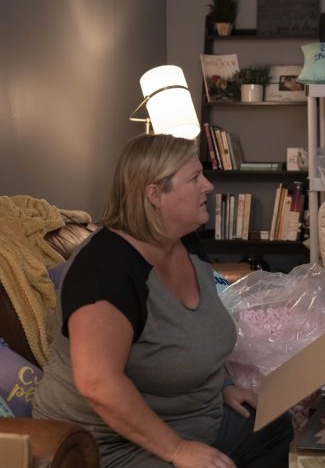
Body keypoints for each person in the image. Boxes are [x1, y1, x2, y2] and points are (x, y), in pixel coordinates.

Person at [33, 134, 293, 467]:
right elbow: (98, 383)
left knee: (273, 426)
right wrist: (177, 450)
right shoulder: (104, 269)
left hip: (193, 420)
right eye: (194, 178)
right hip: (111, 443)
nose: (208, 186)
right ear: (154, 194)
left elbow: (197, 329)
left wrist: (223, 384)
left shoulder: (185, 241)